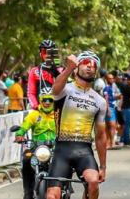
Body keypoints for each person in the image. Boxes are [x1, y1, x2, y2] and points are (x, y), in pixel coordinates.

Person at [47, 52, 108, 199]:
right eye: (86, 62)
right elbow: (54, 90)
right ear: (77, 67)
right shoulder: (65, 89)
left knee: (93, 182)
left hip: (84, 150)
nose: (90, 67)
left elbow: (100, 137)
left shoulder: (100, 101)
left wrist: (103, 166)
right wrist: (68, 69)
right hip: (62, 149)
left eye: (94, 65)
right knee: (51, 196)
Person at [16, 92, 58, 199]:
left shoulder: (58, 114)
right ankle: (28, 193)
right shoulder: (34, 115)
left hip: (56, 148)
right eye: (45, 100)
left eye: (50, 100)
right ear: (41, 101)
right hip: (37, 148)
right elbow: (24, 126)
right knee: (26, 159)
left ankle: (66, 186)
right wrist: (19, 134)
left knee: (68, 160)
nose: (47, 103)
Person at [28, 39, 62, 110]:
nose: (47, 55)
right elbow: (31, 93)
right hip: (40, 110)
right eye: (44, 52)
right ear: (40, 54)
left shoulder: (61, 70)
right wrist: (36, 106)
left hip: (56, 110)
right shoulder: (35, 71)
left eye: (50, 51)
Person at [100, 71, 121, 149]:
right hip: (110, 108)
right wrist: (108, 110)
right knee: (111, 126)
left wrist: (117, 97)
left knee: (111, 126)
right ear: (106, 79)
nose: (112, 80)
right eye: (110, 79)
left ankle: (109, 143)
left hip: (113, 107)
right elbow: (106, 99)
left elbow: (111, 98)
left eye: (112, 78)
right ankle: (111, 143)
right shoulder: (107, 88)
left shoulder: (111, 88)